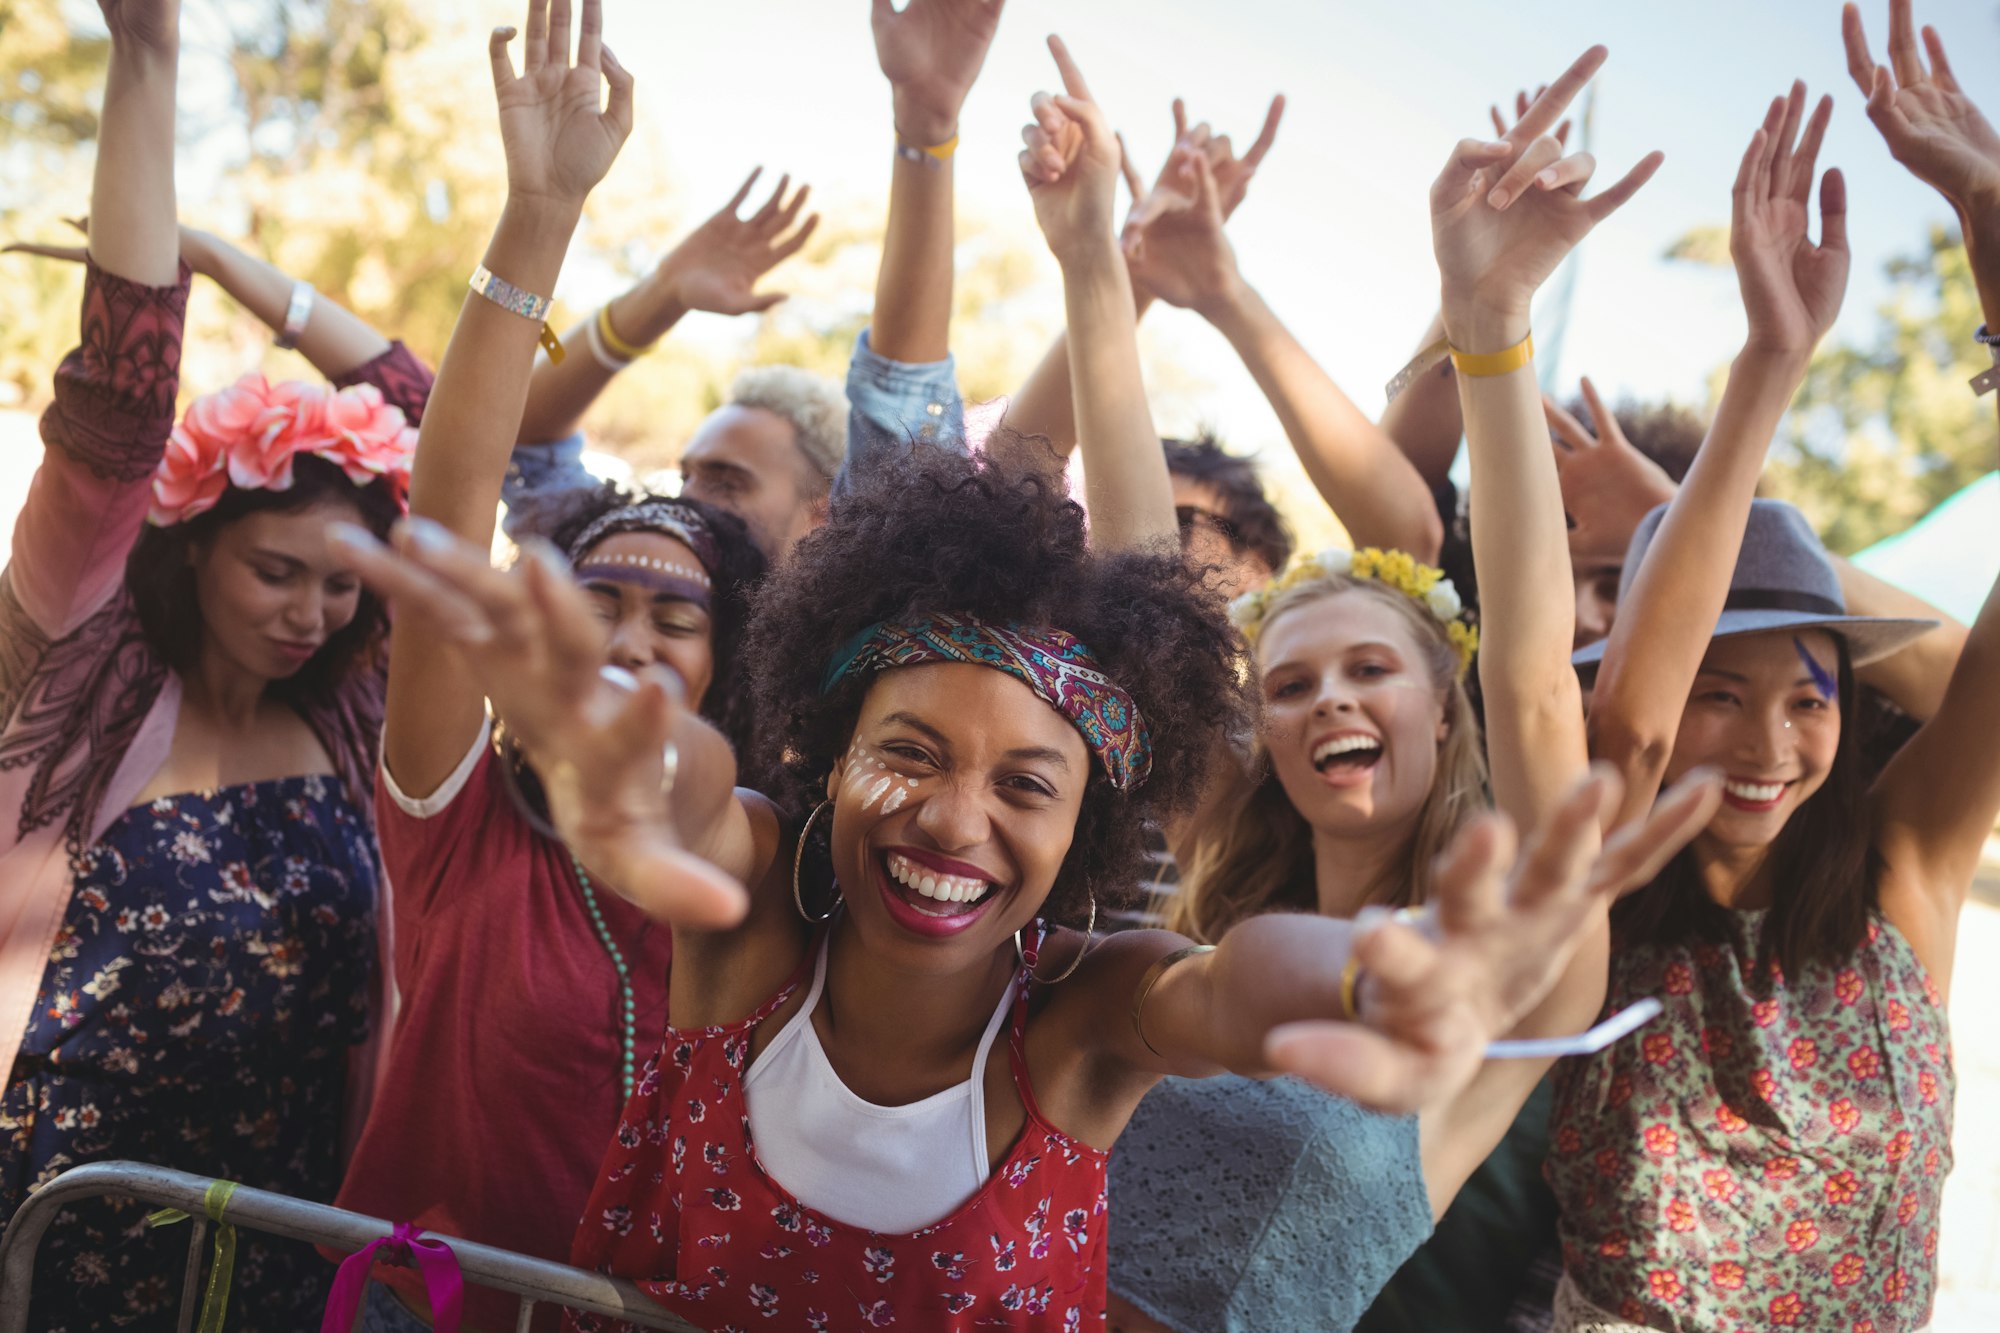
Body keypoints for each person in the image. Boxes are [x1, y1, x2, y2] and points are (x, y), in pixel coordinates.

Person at [335, 25, 1722, 1332]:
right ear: (826, 755)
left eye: (1025, 785)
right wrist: (617, 747)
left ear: (1087, 831)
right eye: (911, 752)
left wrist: (1371, 977)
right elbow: (699, 795)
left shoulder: (1079, 1022)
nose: (954, 819)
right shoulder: (752, 932)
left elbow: (1233, 985)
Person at [1103, 48, 1669, 1333]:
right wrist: (1096, 265)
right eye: (1289, 683)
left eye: (1369, 671)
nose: (1327, 701)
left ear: (1442, 708)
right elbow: (1138, 597)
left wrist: (1488, 321)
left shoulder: (1517, 962)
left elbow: (1533, 676)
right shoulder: (1210, 907)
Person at [314, 6, 764, 1329]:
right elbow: (449, 513)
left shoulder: (750, 860)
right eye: (596, 601)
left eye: (675, 620)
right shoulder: (459, 827)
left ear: (728, 663)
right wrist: (539, 216)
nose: (629, 638)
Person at [1551, 9, 2000, 1323]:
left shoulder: (1900, 878)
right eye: (1718, 694)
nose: (1767, 745)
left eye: (1809, 699)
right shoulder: (1588, 892)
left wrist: (1994, 247)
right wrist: (1771, 359)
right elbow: (1630, 733)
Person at [0, 0, 431, 1323]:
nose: (313, 612)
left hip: (275, 1243)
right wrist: (148, 58)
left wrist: (233, 264)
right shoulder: (86, 659)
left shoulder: (356, 705)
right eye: (276, 571)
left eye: (342, 585)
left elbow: (432, 415)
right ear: (195, 552)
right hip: (52, 1241)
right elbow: (119, 406)